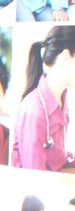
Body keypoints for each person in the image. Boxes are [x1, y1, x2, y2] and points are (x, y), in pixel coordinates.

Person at [12, 26, 75, 170]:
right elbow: (35, 178)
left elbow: (56, 158)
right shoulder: (34, 111)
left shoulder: (61, 100)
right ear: (66, 57)